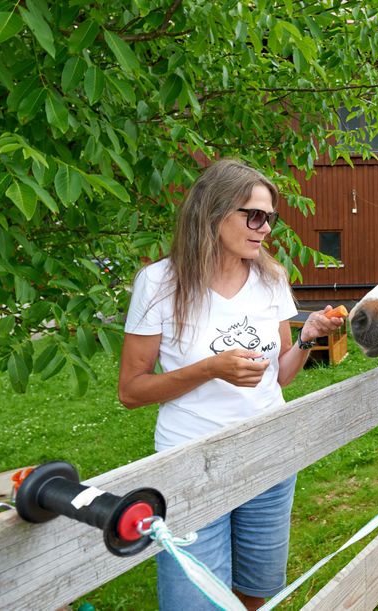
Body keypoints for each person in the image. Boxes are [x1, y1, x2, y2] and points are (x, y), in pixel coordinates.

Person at [117, 158, 344, 610]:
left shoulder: (271, 278)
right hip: (193, 462)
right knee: (195, 600)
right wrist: (210, 368)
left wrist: (306, 337)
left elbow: (278, 374)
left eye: (270, 218)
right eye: (253, 215)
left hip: (268, 452)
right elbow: (131, 391)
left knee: (258, 590)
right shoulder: (160, 283)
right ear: (213, 211)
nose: (264, 228)